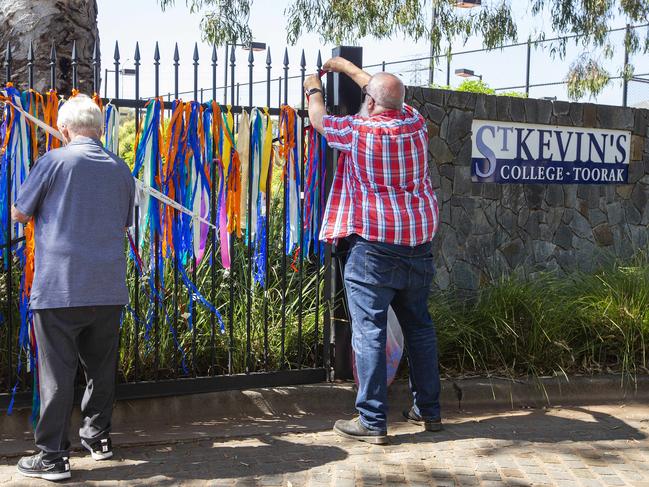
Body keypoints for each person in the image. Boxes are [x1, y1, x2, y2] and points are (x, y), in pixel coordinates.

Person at [304, 58, 441, 445]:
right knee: (420, 328)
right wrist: (347, 67)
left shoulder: (358, 130)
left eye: (368, 98)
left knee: (369, 332)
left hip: (374, 249)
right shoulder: (415, 124)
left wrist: (315, 86)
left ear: (371, 104)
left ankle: (372, 420)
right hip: (417, 246)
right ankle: (428, 410)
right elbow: (381, 89)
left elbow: (318, 120)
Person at [12, 94, 135, 481]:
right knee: (101, 369)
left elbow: (19, 211)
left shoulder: (52, 161)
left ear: (64, 129)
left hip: (60, 288)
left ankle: (52, 457)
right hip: (108, 287)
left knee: (56, 374)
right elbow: (124, 222)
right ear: (100, 130)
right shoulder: (121, 169)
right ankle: (98, 440)